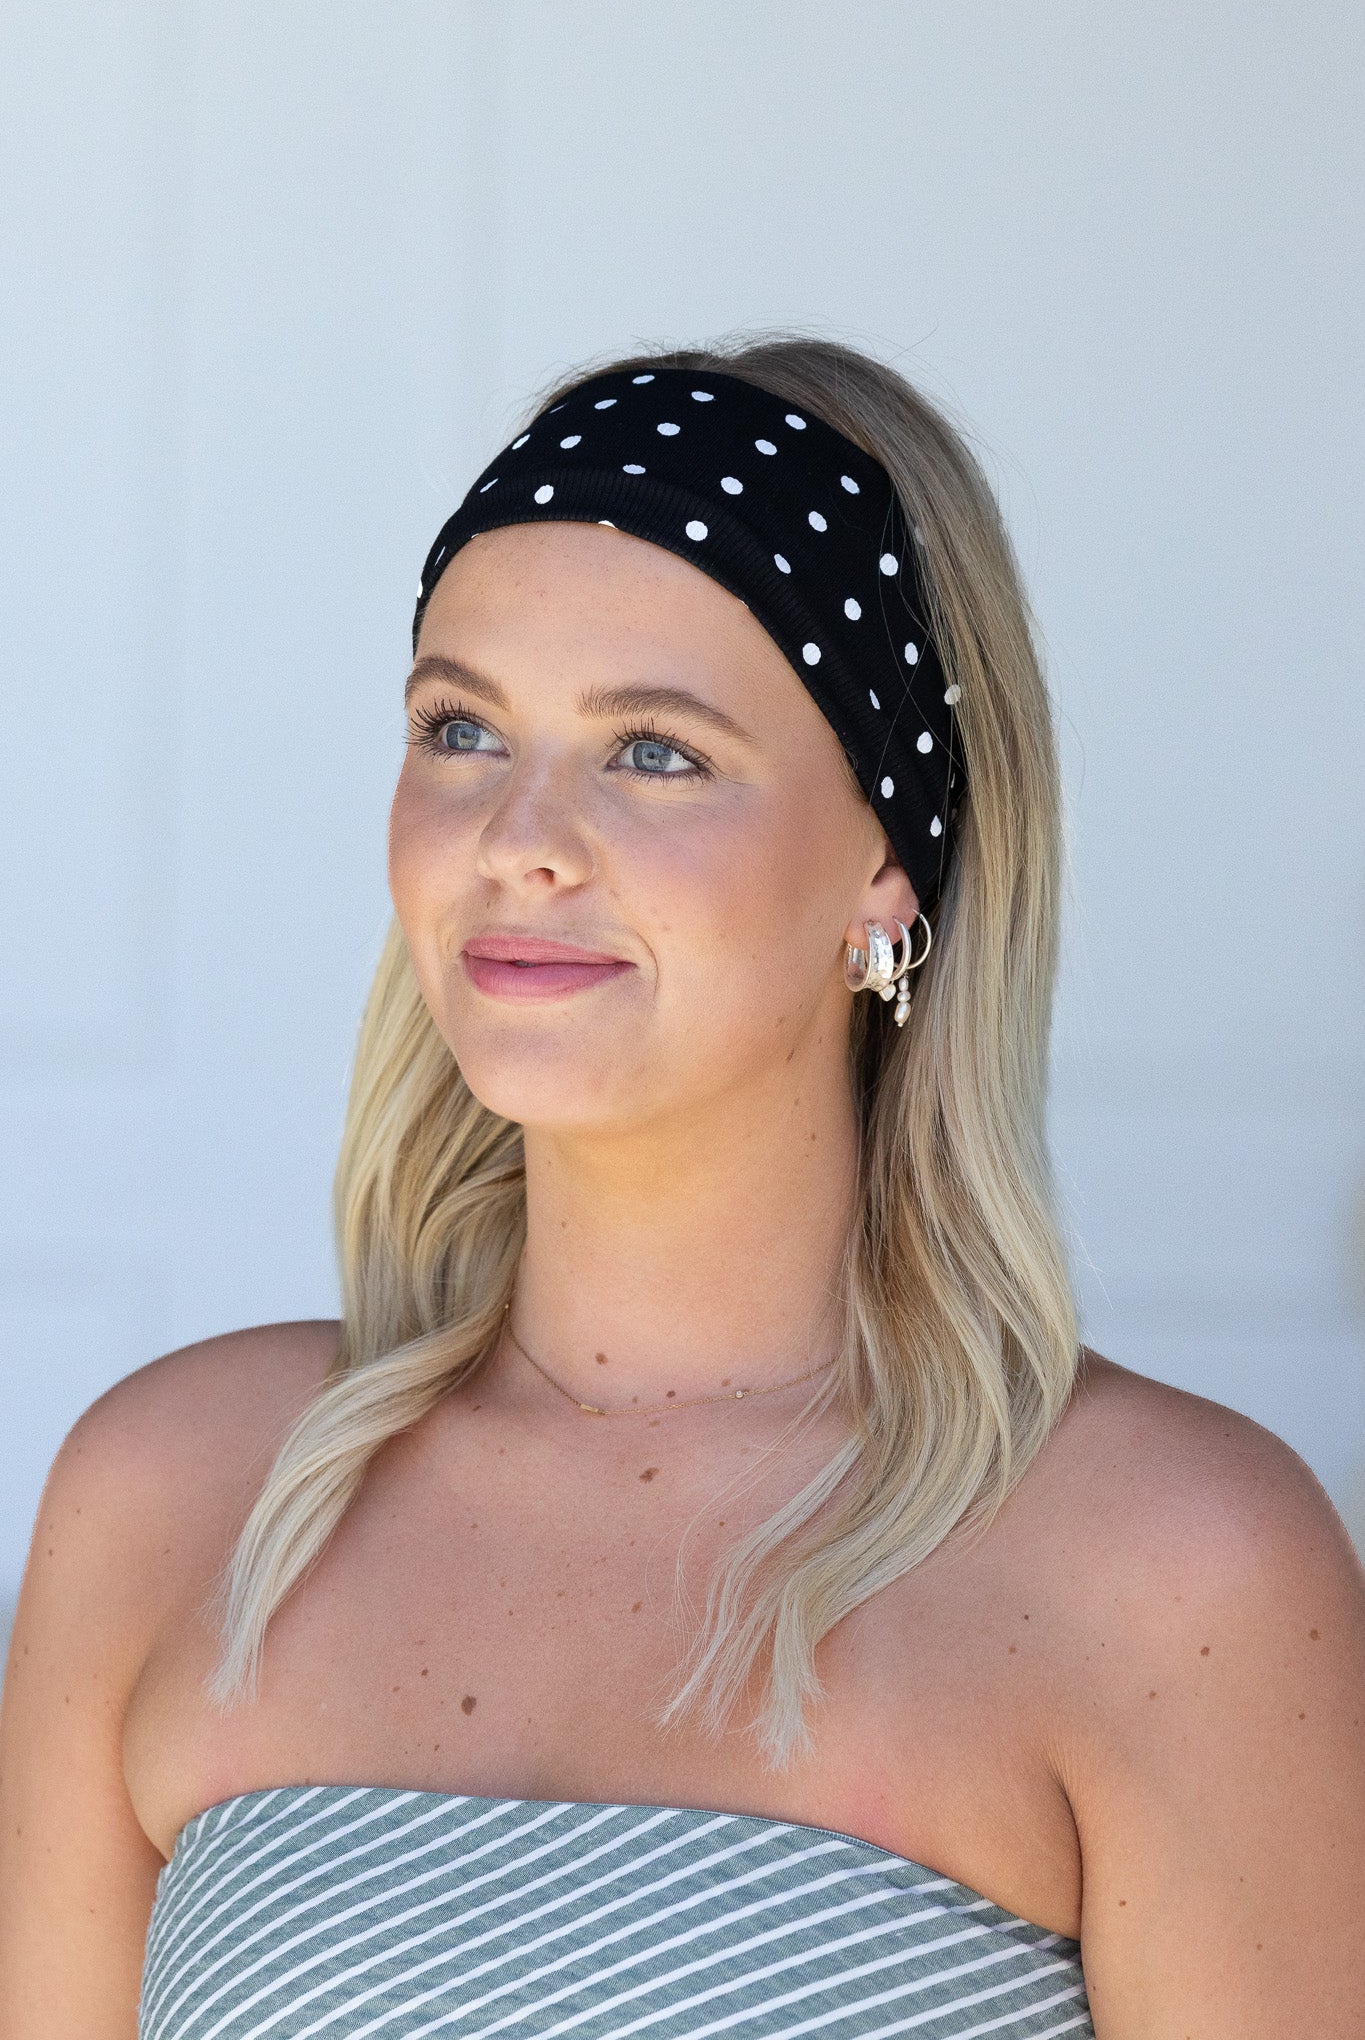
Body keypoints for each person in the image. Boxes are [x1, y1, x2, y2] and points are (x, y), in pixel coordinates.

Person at [1, 336, 1362, 2040]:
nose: (520, 833)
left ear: (886, 856)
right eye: (460, 726)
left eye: (654, 750)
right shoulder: (171, 1499)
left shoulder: (1173, 1573)